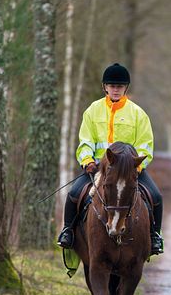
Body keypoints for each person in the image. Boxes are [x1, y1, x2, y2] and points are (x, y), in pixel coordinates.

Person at [57, 63, 163, 255]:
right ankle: (67, 232)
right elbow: (85, 140)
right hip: (98, 168)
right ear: (105, 87)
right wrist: (87, 160)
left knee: (156, 196)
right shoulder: (92, 110)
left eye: (119, 86)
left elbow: (145, 145)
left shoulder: (138, 114)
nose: (116, 89)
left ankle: (155, 236)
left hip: (130, 169)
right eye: (112, 86)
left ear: (125, 88)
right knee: (73, 194)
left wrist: (137, 167)